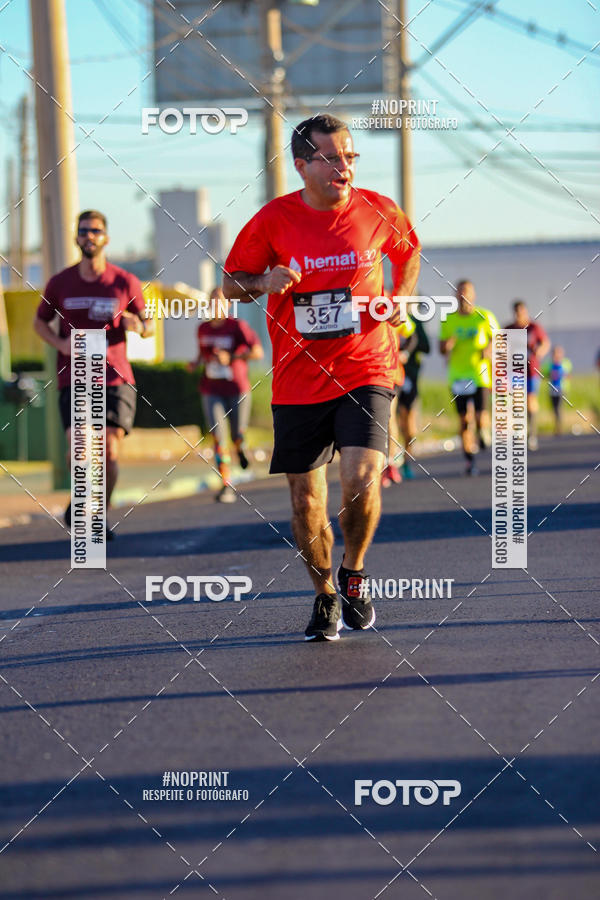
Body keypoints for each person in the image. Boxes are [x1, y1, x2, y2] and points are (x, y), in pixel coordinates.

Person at [222, 113, 420, 641]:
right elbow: (231, 284)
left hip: (366, 366)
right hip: (298, 380)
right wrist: (264, 280)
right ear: (302, 165)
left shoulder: (379, 209)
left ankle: (354, 571)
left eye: (349, 157)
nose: (343, 168)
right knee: (306, 501)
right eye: (331, 159)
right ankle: (325, 594)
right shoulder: (273, 220)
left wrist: (400, 297)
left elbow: (409, 251)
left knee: (361, 478)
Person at [33, 209, 154, 536]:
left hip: (115, 378)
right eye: (84, 230)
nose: (89, 236)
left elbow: (149, 325)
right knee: (80, 448)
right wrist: (61, 343)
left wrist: (138, 325)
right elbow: (39, 322)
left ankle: (97, 511)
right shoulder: (60, 283)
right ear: (77, 237)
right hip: (74, 377)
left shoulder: (124, 281)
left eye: (96, 231)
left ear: (106, 238)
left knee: (109, 453)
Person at [188, 286, 263, 503]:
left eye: (219, 301)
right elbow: (202, 354)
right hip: (211, 390)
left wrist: (231, 358)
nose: (215, 305)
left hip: (237, 389)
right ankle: (226, 485)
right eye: (211, 301)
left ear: (228, 304)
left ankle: (240, 447)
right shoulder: (203, 329)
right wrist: (195, 363)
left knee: (237, 434)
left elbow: (257, 352)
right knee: (218, 437)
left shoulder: (237, 326)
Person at [439, 280, 498, 476]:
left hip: (480, 375)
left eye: (467, 292)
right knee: (464, 420)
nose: (464, 296)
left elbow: (498, 338)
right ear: (456, 296)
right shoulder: (448, 319)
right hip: (458, 376)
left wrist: (489, 349)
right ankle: (469, 460)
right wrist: (447, 346)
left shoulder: (485, 316)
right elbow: (441, 348)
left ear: (473, 295)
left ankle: (482, 432)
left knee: (480, 417)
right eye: (460, 292)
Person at [505, 300, 550, 450]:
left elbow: (545, 343)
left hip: (531, 370)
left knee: (531, 400)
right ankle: (519, 431)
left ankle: (532, 433)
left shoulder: (534, 327)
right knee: (517, 400)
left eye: (522, 311)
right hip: (515, 370)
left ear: (526, 311)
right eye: (517, 312)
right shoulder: (509, 328)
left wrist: (540, 351)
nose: (520, 314)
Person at [396, 312, 430, 480]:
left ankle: (406, 460)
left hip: (409, 375)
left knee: (408, 423)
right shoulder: (381, 314)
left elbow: (426, 347)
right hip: (388, 376)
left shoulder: (414, 321)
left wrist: (406, 351)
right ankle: (391, 463)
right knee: (391, 421)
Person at [542, 345, 571, 435]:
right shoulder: (548, 364)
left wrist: (562, 374)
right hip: (552, 389)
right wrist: (549, 374)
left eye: (558, 353)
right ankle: (557, 425)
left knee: (559, 408)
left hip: (562, 389)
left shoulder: (566, 363)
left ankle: (559, 427)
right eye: (555, 353)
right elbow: (543, 374)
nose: (557, 355)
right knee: (554, 409)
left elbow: (568, 374)